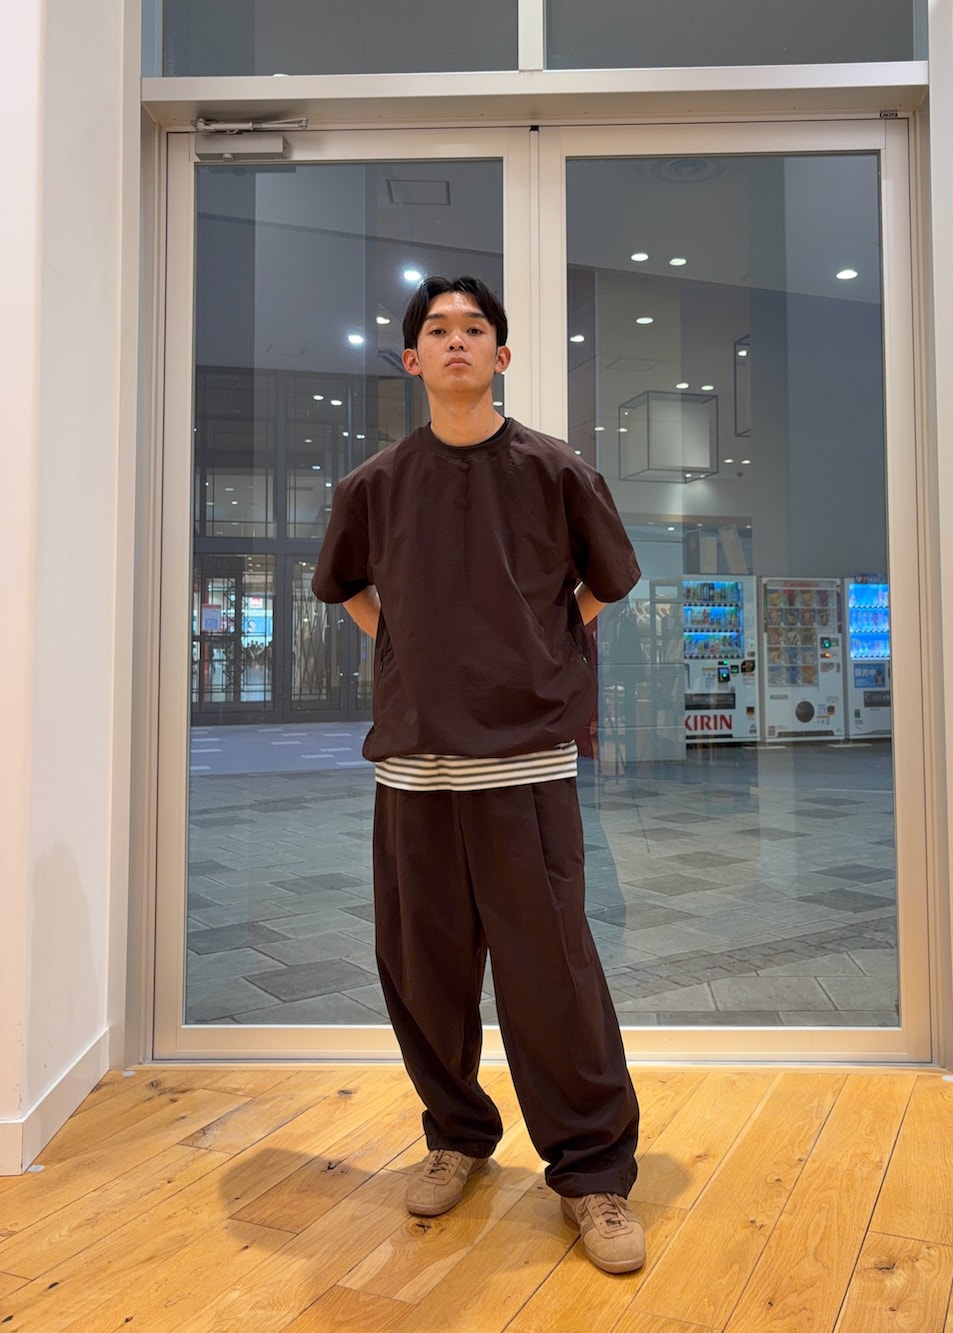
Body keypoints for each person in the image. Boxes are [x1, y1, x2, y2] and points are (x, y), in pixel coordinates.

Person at [312, 276, 644, 1275]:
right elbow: (347, 587)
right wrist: (406, 645)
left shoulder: (555, 469)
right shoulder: (373, 485)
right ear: (412, 359)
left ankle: (593, 1174)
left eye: (474, 328)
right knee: (425, 971)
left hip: (526, 763)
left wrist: (542, 647)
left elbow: (606, 582)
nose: (455, 341)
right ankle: (455, 1134)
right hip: (415, 769)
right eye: (436, 330)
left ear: (501, 355)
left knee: (553, 975)